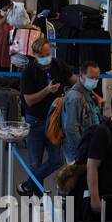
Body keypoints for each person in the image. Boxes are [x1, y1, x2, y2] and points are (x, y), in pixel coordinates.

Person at [17, 37, 72, 195]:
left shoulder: (58, 65)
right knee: (35, 162)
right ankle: (38, 195)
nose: (47, 58)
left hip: (54, 122)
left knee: (56, 160)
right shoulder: (28, 72)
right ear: (34, 55)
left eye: (49, 53)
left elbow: (74, 79)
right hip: (35, 122)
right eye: (42, 55)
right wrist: (47, 91)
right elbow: (29, 101)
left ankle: (28, 185)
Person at [62, 60, 104, 165]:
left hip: (90, 147)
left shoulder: (88, 93)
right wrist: (83, 150)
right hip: (79, 153)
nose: (94, 81)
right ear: (81, 76)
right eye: (91, 78)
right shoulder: (75, 97)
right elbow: (71, 129)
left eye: (97, 78)